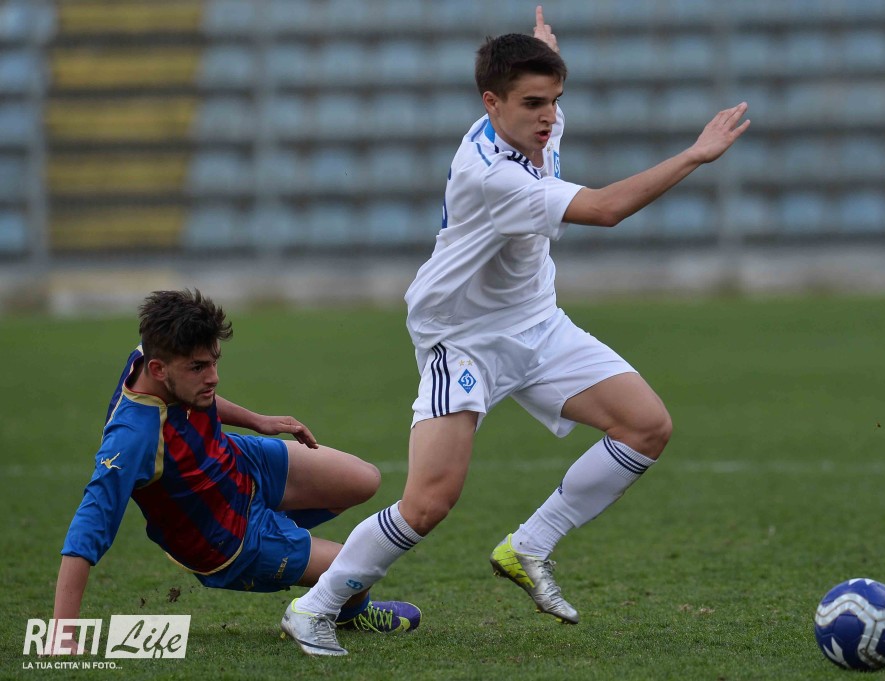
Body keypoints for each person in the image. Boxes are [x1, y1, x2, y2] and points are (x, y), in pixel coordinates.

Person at [286, 6, 750, 653]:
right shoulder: (492, 175)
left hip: (537, 322)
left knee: (646, 426)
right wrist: (696, 154)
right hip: (463, 338)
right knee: (429, 502)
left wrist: (538, 54)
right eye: (533, 103)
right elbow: (606, 209)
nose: (549, 116)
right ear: (491, 103)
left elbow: (538, 99)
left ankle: (529, 545)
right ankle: (315, 606)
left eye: (555, 100)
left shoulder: (531, 124)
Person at [52, 289, 420, 658]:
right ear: (158, 370)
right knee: (357, 570)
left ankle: (287, 536)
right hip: (229, 537)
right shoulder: (133, 438)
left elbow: (197, 395)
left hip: (240, 462)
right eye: (199, 367)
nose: (213, 378)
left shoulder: (153, 352)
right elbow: (89, 528)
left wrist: (257, 421)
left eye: (215, 362)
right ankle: (349, 612)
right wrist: (62, 635)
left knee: (363, 480)